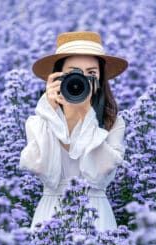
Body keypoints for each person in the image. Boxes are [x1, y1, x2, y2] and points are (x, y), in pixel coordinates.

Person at [19, 31, 128, 232]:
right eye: (74, 73)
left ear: (101, 78)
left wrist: (86, 115)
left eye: (92, 74)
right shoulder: (38, 122)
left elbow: (100, 175)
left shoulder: (113, 122)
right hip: (51, 215)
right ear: (57, 77)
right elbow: (43, 172)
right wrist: (55, 113)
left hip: (95, 215)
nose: (82, 81)